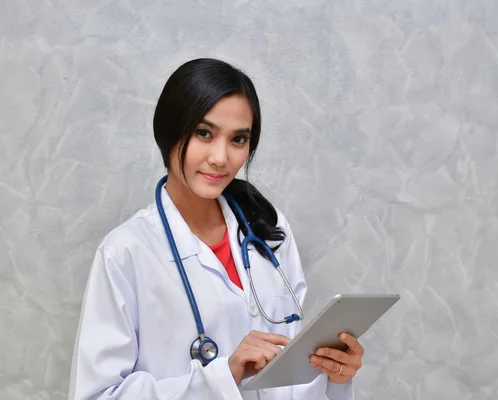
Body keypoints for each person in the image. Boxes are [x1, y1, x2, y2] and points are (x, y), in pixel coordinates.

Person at [69, 58, 364, 400]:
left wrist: (334, 376)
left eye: (238, 139)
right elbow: (98, 395)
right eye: (204, 133)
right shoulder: (126, 251)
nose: (221, 158)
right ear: (169, 132)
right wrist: (222, 376)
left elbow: (291, 383)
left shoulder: (270, 232)